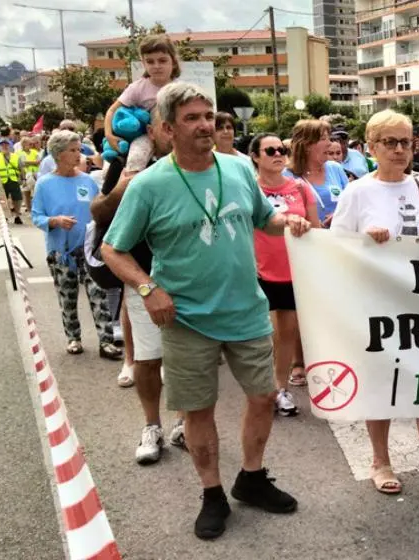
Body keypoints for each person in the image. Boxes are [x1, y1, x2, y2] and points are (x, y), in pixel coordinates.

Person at [102, 82, 309, 540]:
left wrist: (286, 221)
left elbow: (262, 218)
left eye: (208, 116)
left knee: (262, 397)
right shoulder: (150, 185)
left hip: (246, 311)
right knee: (199, 410)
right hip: (187, 319)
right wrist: (148, 288)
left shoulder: (237, 170)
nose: (204, 125)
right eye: (192, 118)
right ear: (167, 128)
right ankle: (212, 493)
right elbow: (112, 249)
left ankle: (251, 478)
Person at [329, 109, 419, 509]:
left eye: (406, 141)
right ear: (371, 147)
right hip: (376, 305)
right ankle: (381, 461)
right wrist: (366, 241)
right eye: (390, 142)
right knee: (381, 387)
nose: (400, 149)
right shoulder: (357, 192)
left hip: (418, 305)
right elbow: (335, 250)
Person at [91, 106, 186, 461]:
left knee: (184, 359)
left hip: (192, 280)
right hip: (143, 275)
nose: (172, 129)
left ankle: (182, 423)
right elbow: (98, 212)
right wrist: (121, 189)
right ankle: (152, 426)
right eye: (167, 123)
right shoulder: (129, 162)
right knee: (148, 359)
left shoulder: (199, 165)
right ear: (155, 128)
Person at [31, 130, 122, 360]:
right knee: (68, 296)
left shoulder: (87, 181)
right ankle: (73, 338)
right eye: (72, 150)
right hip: (62, 253)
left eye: (78, 148)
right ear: (59, 154)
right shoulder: (44, 184)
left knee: (98, 294)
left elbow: (99, 208)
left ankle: (107, 341)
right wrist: (54, 221)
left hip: (90, 250)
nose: (78, 153)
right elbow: (36, 216)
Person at [251, 132, 320, 416]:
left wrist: (305, 226)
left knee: (286, 334)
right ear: (255, 157)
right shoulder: (249, 189)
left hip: (293, 271)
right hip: (256, 271)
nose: (278, 154)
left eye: (281, 149)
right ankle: (259, 390)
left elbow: (316, 228)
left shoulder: (300, 188)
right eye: (270, 151)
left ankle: (280, 388)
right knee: (257, 337)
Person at [103, 34, 179, 173]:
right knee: (136, 158)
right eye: (150, 62)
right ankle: (131, 186)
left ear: (173, 62)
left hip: (175, 135)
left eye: (162, 60)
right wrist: (109, 135)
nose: (156, 66)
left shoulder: (180, 89)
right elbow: (112, 111)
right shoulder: (137, 88)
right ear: (143, 63)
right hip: (146, 136)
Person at [286, 119, 350, 228]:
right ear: (306, 145)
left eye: (328, 138)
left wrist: (338, 216)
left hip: (338, 238)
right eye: (323, 139)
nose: (329, 143)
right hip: (307, 240)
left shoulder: (335, 168)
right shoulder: (287, 176)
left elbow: (352, 203)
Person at [0, 139, 25, 224]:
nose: (4, 146)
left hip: (13, 180)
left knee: (18, 199)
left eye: (6, 144)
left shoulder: (15, 156)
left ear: (10, 146)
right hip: (0, 181)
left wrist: (23, 178)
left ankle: (17, 215)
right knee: (2, 199)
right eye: (2, 145)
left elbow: (21, 168)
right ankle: (4, 216)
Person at [21, 136, 42, 212]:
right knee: (26, 192)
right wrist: (33, 162)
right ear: (23, 145)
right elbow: (22, 163)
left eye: (31, 144)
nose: (31, 145)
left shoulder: (34, 152)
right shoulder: (19, 153)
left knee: (36, 192)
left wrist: (28, 162)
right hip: (25, 174)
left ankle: (36, 208)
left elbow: (39, 161)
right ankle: (29, 209)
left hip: (36, 174)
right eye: (29, 144)